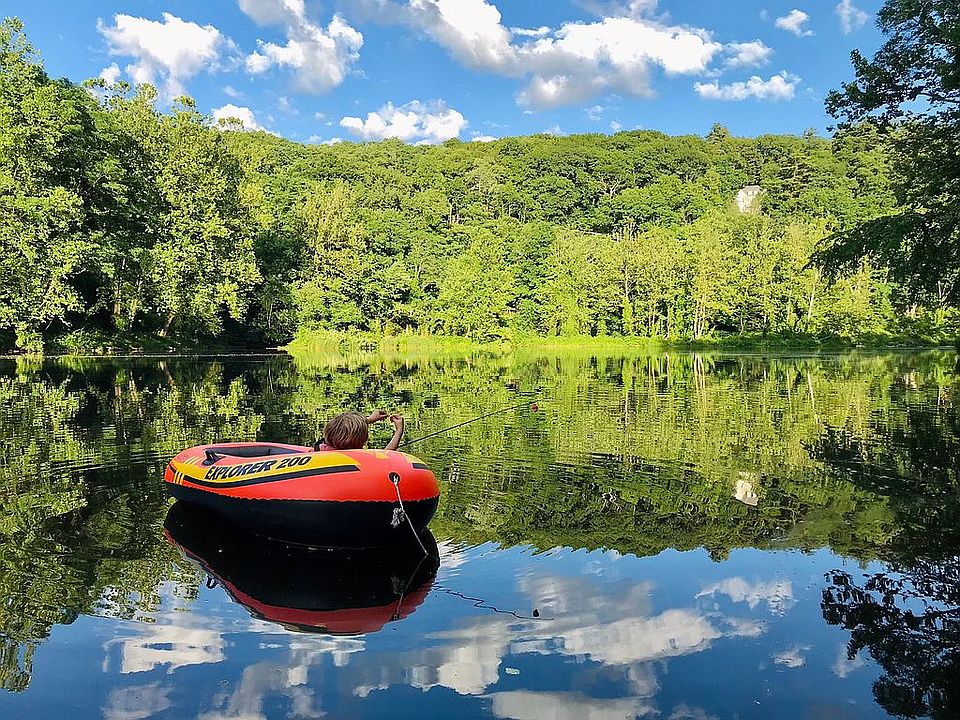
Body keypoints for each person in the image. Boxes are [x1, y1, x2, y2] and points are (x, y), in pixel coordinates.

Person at [315, 409, 405, 451]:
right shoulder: (357, 458)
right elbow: (386, 454)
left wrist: (368, 420)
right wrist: (398, 431)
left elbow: (339, 429)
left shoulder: (321, 448)